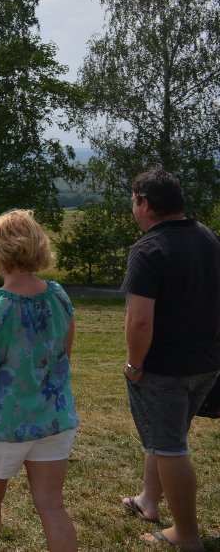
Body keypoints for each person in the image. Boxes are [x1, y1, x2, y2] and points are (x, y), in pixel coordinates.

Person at [0, 209, 78, 552]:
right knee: (53, 505)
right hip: (54, 419)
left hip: (4, 425)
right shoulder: (59, 297)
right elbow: (64, 357)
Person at [120, 170, 220, 552]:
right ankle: (149, 500)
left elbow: (139, 320)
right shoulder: (209, 238)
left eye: (133, 201)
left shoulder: (148, 249)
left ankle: (186, 535)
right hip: (207, 364)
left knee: (169, 446)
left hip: (164, 368)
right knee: (165, 437)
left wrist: (134, 364)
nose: (133, 208)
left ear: (145, 203)